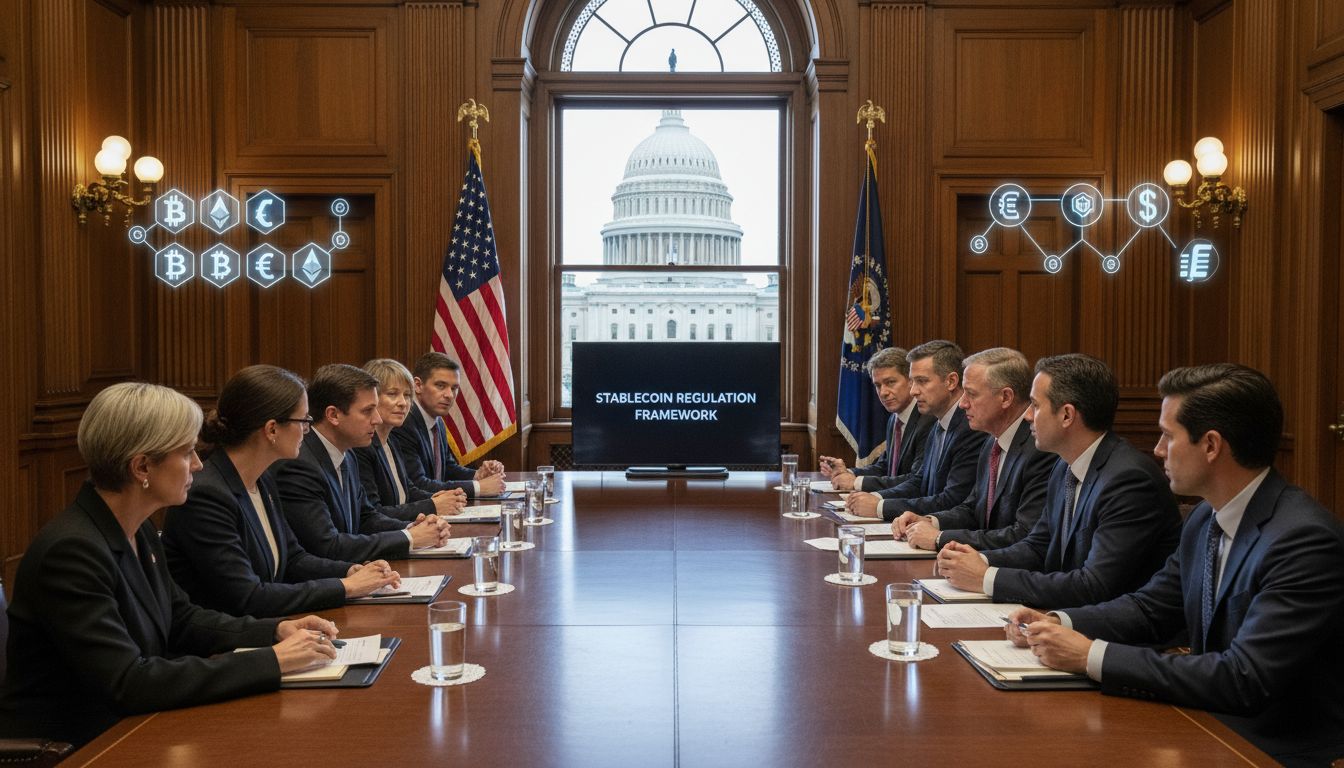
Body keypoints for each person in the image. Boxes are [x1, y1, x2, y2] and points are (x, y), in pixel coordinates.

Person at [1006, 364, 1344, 766]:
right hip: (1207, 720)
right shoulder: (1205, 518)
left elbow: (1244, 678)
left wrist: (1091, 655)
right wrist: (1060, 622)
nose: (1158, 450)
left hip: (1275, 748)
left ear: (1212, 445)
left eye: (1168, 435)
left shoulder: (1302, 540)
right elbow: (1150, 609)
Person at [0, 382, 339, 748]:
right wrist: (271, 661)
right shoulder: (71, 552)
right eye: (187, 452)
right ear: (142, 466)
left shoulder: (138, 528)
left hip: (135, 725)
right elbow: (129, 682)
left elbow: (182, 618)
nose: (197, 464)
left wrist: (276, 631)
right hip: (83, 745)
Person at [936, 354, 1181, 608]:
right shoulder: (1065, 464)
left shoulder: (1129, 480)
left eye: (1035, 405)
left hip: (1114, 632)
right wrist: (978, 560)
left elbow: (1094, 585)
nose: (1028, 416)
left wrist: (988, 578)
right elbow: (1038, 545)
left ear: (1066, 415)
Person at [163, 365, 403, 618]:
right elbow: (248, 597)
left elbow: (294, 558)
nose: (308, 430)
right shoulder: (207, 495)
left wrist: (350, 570)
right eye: (303, 421)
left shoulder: (263, 479)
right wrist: (345, 587)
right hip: (227, 644)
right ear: (272, 429)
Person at [272, 364, 451, 562]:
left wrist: (413, 528)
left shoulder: (348, 454)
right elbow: (327, 546)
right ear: (333, 415)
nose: (376, 419)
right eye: (368, 411)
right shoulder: (299, 464)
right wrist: (408, 538)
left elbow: (366, 518)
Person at [891, 347, 1057, 551]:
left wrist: (939, 538)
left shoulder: (1040, 450)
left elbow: (1023, 534)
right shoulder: (991, 441)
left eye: (970, 394)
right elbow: (972, 508)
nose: (962, 404)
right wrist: (929, 521)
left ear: (1006, 397)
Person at [845, 340, 987, 520]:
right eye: (913, 382)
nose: (913, 391)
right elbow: (919, 482)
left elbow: (953, 499)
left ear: (951, 381)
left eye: (922, 381)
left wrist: (880, 507)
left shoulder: (970, 428)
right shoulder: (939, 423)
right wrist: (875, 498)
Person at [356, 358, 467, 517]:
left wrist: (444, 498)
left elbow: (408, 491)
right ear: (371, 398)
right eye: (393, 394)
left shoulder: (391, 440)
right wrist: (432, 506)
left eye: (407, 395)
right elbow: (373, 514)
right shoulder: (361, 446)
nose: (403, 403)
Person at [390, 352, 506, 497]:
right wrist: (478, 487)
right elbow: (418, 483)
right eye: (440, 385)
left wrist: (478, 474)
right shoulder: (404, 423)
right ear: (418, 386)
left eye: (454, 388)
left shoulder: (437, 421)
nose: (449, 395)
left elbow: (447, 469)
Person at [819, 346, 934, 491]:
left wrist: (856, 483)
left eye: (890, 382)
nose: (883, 392)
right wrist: (848, 472)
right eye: (878, 385)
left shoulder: (928, 420)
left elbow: (916, 480)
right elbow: (885, 466)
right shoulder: (894, 420)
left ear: (910, 381)